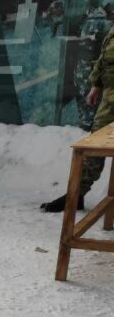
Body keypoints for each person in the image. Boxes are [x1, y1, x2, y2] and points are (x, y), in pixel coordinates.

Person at [41, 22, 114, 212]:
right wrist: (96, 85)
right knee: (94, 148)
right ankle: (76, 195)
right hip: (110, 99)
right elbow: (104, 57)